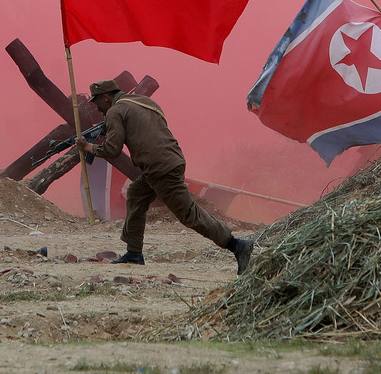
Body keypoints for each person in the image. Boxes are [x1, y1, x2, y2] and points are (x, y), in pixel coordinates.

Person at [76, 79, 253, 274]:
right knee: (136, 193)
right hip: (170, 160)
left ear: (106, 97)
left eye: (97, 102)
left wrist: (88, 147)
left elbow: (112, 150)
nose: (97, 109)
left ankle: (236, 245)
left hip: (159, 168)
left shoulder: (115, 111)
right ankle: (134, 253)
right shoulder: (144, 102)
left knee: (188, 214)